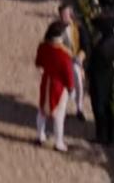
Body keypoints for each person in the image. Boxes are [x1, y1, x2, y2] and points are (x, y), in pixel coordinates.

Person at [35, 21, 74, 152]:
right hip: (58, 86)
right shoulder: (64, 55)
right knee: (59, 115)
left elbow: (38, 63)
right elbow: (68, 74)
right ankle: (59, 142)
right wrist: (71, 88)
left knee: (42, 110)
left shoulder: (43, 46)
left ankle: (40, 135)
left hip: (46, 81)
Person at [87, 15, 114, 145]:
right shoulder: (112, 40)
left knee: (99, 107)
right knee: (106, 107)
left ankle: (102, 135)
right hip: (107, 78)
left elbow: (95, 62)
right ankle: (108, 136)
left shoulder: (104, 45)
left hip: (99, 79)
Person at [59, 4, 87, 121]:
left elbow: (85, 45)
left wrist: (81, 55)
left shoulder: (78, 28)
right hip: (62, 59)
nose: (64, 16)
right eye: (62, 14)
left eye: (66, 14)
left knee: (78, 77)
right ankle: (62, 108)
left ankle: (79, 107)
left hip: (75, 59)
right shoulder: (57, 28)